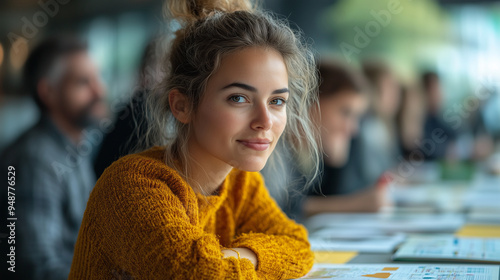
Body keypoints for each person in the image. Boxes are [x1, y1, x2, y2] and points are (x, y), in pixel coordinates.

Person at [69, 0, 321, 279]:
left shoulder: (240, 183)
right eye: (238, 98)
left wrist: (238, 256)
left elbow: (299, 246)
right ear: (182, 106)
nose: (265, 120)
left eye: (276, 100)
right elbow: (201, 274)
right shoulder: (131, 187)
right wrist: (245, 261)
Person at [0, 36, 106, 280]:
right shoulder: (34, 160)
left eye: (97, 78)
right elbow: (35, 267)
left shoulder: (74, 146)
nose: (99, 90)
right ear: (48, 92)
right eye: (83, 82)